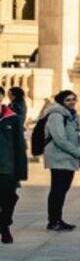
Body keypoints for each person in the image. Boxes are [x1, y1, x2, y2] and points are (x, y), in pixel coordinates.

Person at [38, 89, 80, 231]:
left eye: (73, 99)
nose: (71, 102)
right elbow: (59, 138)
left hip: (68, 157)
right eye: (68, 100)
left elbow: (77, 136)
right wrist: (77, 152)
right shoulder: (56, 115)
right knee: (57, 189)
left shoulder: (73, 116)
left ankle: (58, 218)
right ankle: (53, 221)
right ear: (61, 102)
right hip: (58, 156)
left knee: (63, 189)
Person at [0, 86, 24, 244]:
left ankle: (4, 224)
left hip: (7, 167)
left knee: (9, 199)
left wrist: (21, 171)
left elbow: (19, 145)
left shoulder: (12, 118)